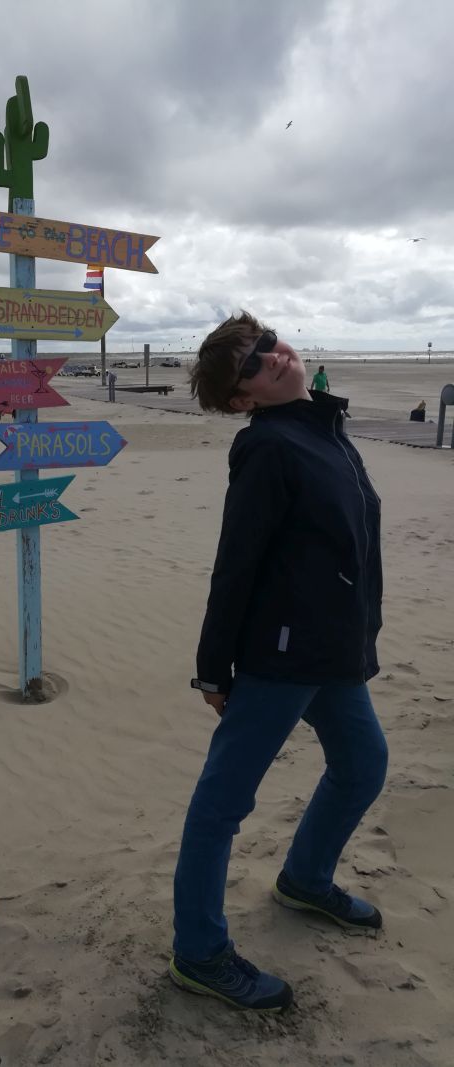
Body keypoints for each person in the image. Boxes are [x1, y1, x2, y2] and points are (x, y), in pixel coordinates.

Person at [170, 312, 387, 1012]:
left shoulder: (323, 428)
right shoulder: (266, 447)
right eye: (254, 361)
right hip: (281, 654)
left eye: (268, 342)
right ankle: (199, 952)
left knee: (362, 765)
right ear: (241, 399)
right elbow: (237, 563)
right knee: (222, 804)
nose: (273, 355)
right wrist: (214, 668)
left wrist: (362, 631)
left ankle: (305, 879)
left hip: (333, 651)